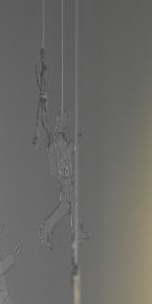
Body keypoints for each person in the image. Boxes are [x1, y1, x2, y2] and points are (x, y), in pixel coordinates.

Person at [39, 107, 87, 249]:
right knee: (73, 204)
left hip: (66, 179)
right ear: (60, 120)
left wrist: (75, 143)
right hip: (65, 180)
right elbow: (63, 156)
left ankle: (45, 231)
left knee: (65, 208)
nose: (67, 122)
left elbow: (66, 153)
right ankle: (76, 232)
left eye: (68, 120)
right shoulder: (56, 137)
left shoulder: (60, 136)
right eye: (66, 119)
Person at [32, 48, 49, 147]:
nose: (41, 58)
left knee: (42, 120)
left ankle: (47, 138)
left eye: (42, 56)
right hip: (42, 98)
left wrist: (37, 74)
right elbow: (40, 85)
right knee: (41, 120)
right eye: (41, 56)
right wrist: (37, 74)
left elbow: (41, 85)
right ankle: (42, 138)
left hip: (43, 98)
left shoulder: (45, 69)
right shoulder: (44, 69)